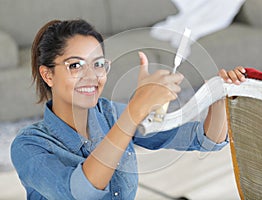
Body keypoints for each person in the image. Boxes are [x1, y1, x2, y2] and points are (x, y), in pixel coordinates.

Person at [11, 19, 246, 200]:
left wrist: (217, 96)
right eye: (75, 65)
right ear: (48, 74)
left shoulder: (110, 114)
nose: (92, 77)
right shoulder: (28, 146)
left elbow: (206, 141)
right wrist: (135, 111)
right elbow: (80, 192)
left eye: (98, 64)